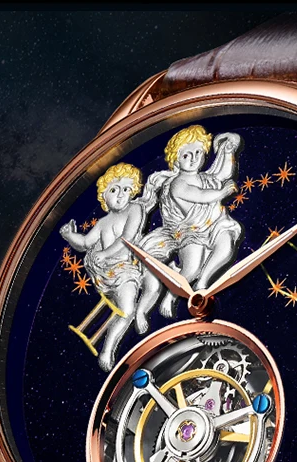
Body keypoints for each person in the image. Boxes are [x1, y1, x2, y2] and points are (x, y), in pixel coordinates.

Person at [134, 125, 244, 326]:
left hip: (215, 225)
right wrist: (221, 193)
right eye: (186, 155)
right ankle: (172, 295)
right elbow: (200, 196)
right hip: (190, 232)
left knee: (226, 248)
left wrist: (228, 150)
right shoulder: (177, 184)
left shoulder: (205, 178)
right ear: (176, 160)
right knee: (191, 269)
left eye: (198, 153)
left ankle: (203, 284)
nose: (193, 159)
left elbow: (222, 173)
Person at [59, 162, 146, 371]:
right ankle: (107, 347)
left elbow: (127, 239)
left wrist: (104, 253)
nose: (121, 195)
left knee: (127, 310)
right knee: (121, 310)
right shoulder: (102, 223)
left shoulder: (134, 209)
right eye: (114, 190)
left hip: (126, 271)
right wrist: (70, 236)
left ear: (134, 190)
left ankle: (108, 349)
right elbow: (85, 243)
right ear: (103, 196)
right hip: (105, 274)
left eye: (126, 189)